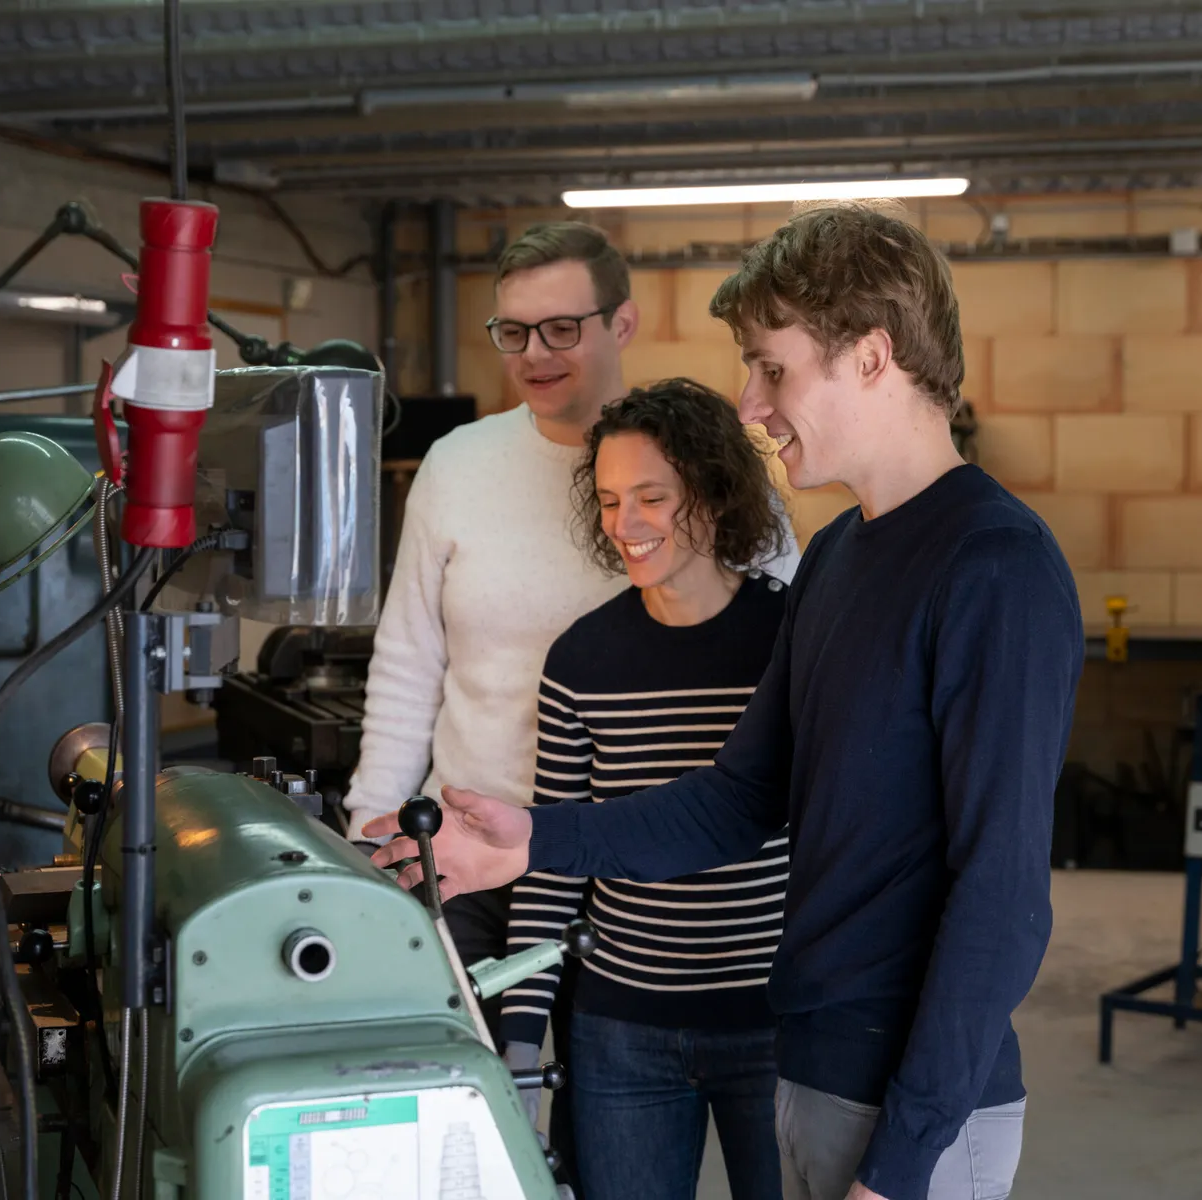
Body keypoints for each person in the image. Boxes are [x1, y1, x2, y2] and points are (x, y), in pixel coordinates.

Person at [376, 203, 1083, 1200]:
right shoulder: (840, 555)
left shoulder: (994, 568)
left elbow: (1001, 899)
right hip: (816, 1067)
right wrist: (531, 841)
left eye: (773, 368)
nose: (749, 405)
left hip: (912, 1111)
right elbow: (738, 797)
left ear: (873, 356)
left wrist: (904, 1160)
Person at [347, 220, 800, 1167]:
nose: (534, 355)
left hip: (647, 864)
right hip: (474, 856)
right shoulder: (457, 466)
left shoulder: (707, 466)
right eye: (512, 332)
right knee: (468, 1142)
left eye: (561, 329)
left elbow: (784, 658)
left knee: (610, 1131)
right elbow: (407, 660)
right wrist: (374, 828)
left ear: (622, 322)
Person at [501, 379, 790, 1200]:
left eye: (652, 497)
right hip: (620, 1031)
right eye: (610, 500)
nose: (625, 525)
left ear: (712, 490)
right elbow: (550, 858)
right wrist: (522, 1042)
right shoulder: (582, 660)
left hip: (774, 1027)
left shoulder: (791, 640)